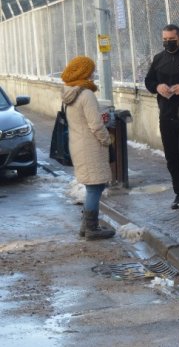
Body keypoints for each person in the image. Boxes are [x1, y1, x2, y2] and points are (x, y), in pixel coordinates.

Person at [61, 56, 115, 241]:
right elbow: (96, 125)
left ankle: (86, 226)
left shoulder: (69, 92)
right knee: (94, 188)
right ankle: (92, 228)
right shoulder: (86, 94)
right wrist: (107, 140)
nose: (93, 74)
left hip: (78, 144)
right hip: (91, 146)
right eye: (91, 70)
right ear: (84, 72)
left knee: (93, 186)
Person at [144, 24, 179, 211]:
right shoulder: (159, 59)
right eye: (165, 40)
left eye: (171, 40)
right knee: (171, 156)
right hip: (166, 114)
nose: (168, 43)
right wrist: (158, 87)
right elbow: (149, 81)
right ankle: (178, 193)